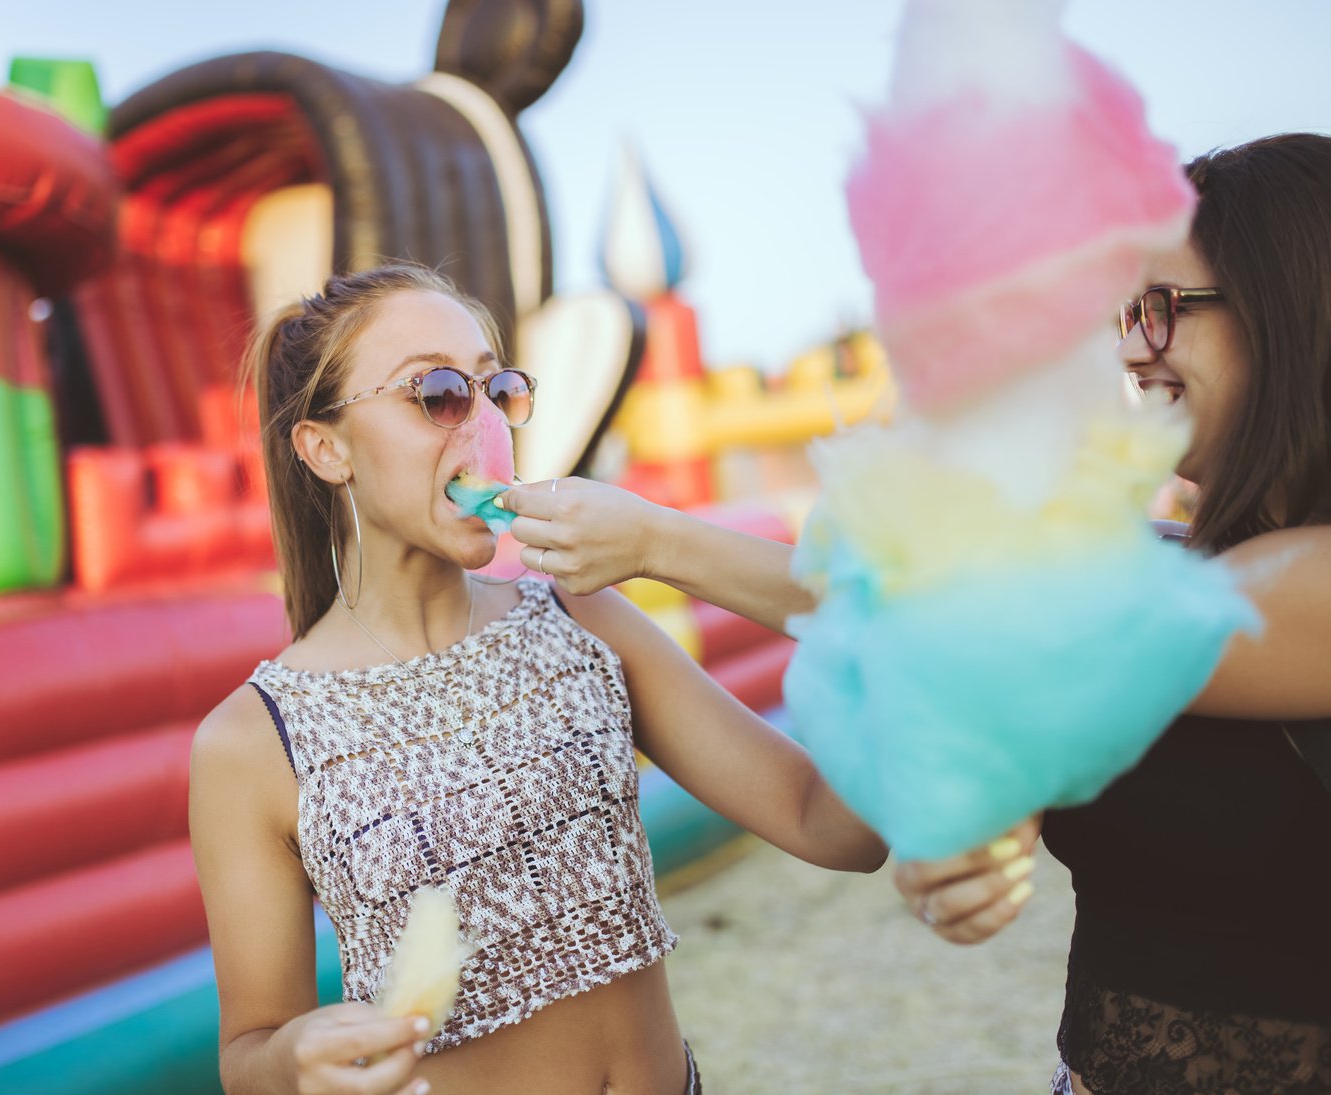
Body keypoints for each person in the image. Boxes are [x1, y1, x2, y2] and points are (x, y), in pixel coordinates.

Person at [503, 133, 1331, 1095]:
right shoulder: (1171, 565)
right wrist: (646, 544)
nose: (1127, 345)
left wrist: (662, 545)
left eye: (1162, 308)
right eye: (1124, 311)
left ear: (1287, 309)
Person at [189, 261, 886, 1095]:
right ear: (326, 447)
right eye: (438, 392)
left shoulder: (581, 620)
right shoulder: (253, 739)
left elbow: (836, 828)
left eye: (497, 389)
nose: (483, 425)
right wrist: (294, 1061)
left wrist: (674, 546)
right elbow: (250, 1054)